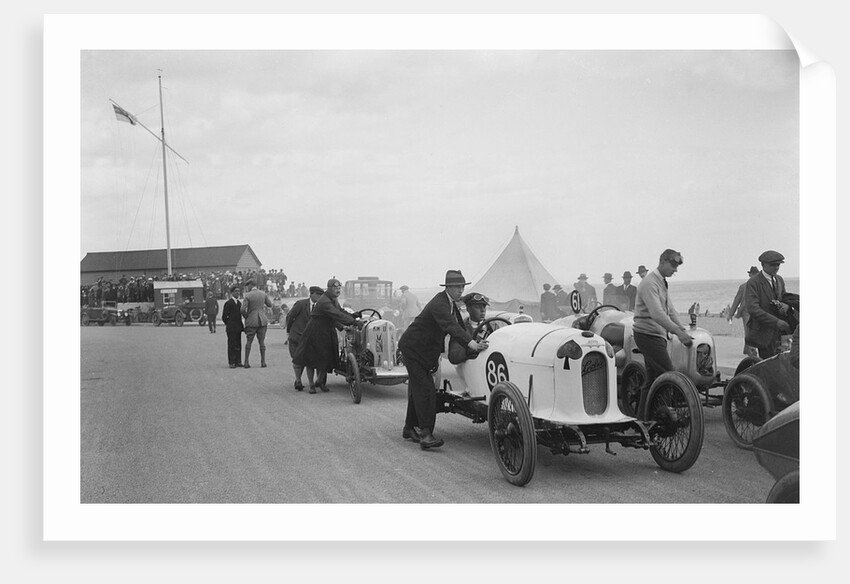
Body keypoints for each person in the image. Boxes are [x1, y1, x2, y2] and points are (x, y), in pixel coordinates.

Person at [399, 270, 488, 449]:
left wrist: (471, 341)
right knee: (426, 391)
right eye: (457, 287)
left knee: (418, 388)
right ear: (448, 287)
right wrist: (471, 344)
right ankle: (426, 435)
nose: (460, 290)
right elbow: (450, 325)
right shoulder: (440, 303)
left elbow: (460, 326)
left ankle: (409, 428)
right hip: (413, 348)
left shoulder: (451, 303)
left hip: (422, 350)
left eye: (462, 286)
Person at [632, 249, 693, 417]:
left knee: (652, 380)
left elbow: (669, 309)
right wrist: (678, 333)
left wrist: (682, 329)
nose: (675, 271)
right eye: (673, 266)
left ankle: (643, 420)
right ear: (663, 262)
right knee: (669, 375)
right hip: (647, 335)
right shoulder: (649, 283)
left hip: (655, 335)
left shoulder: (661, 281)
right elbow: (657, 313)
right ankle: (661, 417)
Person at [293, 278, 361, 393]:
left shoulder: (333, 299)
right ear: (329, 289)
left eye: (339, 288)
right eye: (335, 288)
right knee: (311, 359)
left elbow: (340, 311)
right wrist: (354, 322)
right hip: (315, 331)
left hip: (326, 331)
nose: (338, 290)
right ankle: (311, 385)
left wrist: (353, 315)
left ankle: (319, 381)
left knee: (326, 357)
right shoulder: (325, 301)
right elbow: (337, 314)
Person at [744, 250, 790, 359]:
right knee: (768, 365)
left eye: (778, 265)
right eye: (773, 265)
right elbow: (753, 309)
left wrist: (786, 306)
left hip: (780, 333)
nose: (776, 267)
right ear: (763, 265)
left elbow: (784, 298)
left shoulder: (779, 280)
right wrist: (776, 322)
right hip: (763, 333)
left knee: (782, 362)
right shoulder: (753, 282)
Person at [285, 286, 323, 391]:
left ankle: (313, 382)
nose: (319, 297)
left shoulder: (320, 307)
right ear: (311, 294)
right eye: (318, 295)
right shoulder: (301, 304)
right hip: (297, 336)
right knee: (297, 359)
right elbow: (290, 317)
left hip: (311, 338)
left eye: (321, 295)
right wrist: (289, 330)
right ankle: (298, 380)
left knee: (309, 360)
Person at [448, 292, 491, 364]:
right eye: (477, 307)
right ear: (469, 309)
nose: (482, 310)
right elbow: (453, 356)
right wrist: (474, 348)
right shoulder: (460, 330)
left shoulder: (493, 326)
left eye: (484, 306)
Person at [240, 279, 273, 368]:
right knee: (261, 342)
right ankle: (263, 362)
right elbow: (270, 304)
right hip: (262, 320)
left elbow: (242, 309)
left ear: (250, 285)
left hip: (251, 321)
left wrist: (247, 316)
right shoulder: (263, 294)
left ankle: (246, 362)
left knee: (249, 342)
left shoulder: (248, 295)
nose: (247, 288)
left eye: (247, 286)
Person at [728, 266, 760, 356]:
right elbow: (736, 300)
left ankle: (747, 349)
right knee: (749, 331)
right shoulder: (744, 286)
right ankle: (752, 350)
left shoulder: (760, 286)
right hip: (746, 312)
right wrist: (731, 314)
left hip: (756, 312)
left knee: (751, 331)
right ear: (751, 275)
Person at [221, 284, 244, 368]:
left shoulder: (239, 303)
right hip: (231, 328)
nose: (238, 293)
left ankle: (238, 361)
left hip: (238, 327)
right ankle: (232, 362)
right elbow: (224, 317)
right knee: (231, 345)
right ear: (232, 293)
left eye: (238, 291)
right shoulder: (228, 303)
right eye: (236, 291)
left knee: (238, 344)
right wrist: (229, 323)